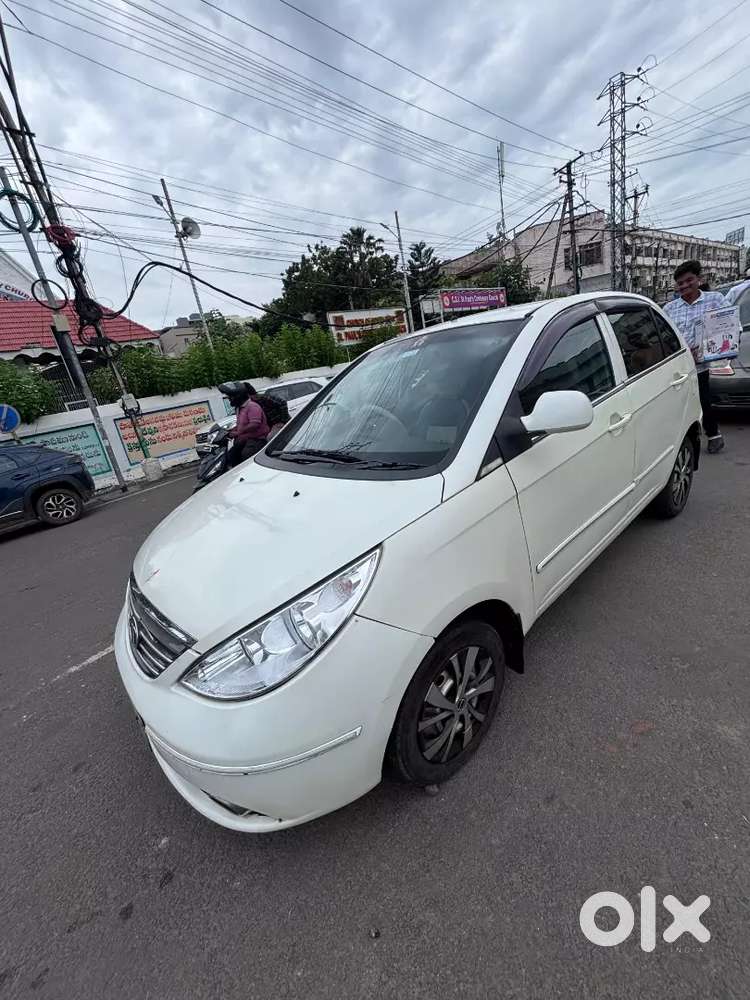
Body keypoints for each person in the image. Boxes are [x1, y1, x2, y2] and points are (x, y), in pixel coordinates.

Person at [663, 260, 727, 454]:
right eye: (680, 283)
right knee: (678, 405)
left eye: (689, 280)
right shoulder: (669, 309)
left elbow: (729, 328)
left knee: (702, 400)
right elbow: (665, 339)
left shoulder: (715, 300)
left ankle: (714, 435)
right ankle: (680, 441)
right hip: (677, 368)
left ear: (699, 279)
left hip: (701, 366)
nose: (684, 286)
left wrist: (703, 351)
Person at [221, 381, 269, 467]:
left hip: (257, 440)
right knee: (230, 456)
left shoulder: (252, 406)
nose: (229, 399)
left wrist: (238, 432)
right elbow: (241, 424)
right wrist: (231, 430)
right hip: (245, 439)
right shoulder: (239, 408)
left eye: (230, 397)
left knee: (246, 455)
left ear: (238, 396)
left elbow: (254, 424)